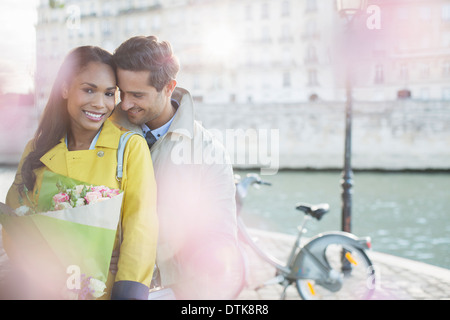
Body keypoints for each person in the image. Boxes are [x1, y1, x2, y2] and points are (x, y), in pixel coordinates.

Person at [3, 46, 158, 299]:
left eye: (109, 93)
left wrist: (129, 292)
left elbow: (141, 228)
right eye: (89, 89)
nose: (100, 103)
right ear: (65, 89)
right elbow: (14, 223)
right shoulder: (36, 149)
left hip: (104, 291)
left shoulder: (129, 147)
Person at [110, 36, 243, 299]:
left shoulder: (209, 152)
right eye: (121, 93)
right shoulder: (102, 132)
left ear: (169, 87)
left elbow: (221, 237)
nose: (125, 104)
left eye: (137, 95)